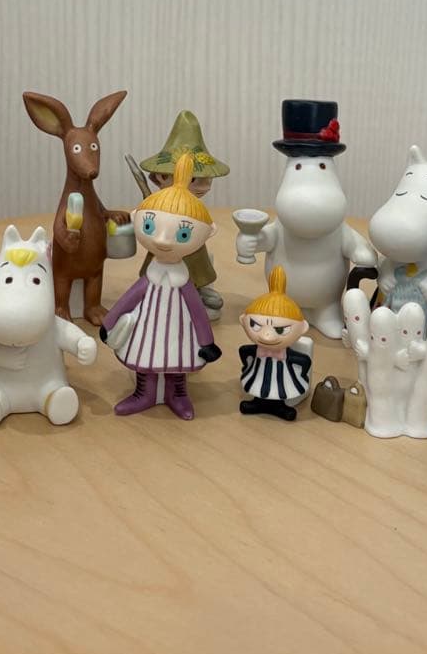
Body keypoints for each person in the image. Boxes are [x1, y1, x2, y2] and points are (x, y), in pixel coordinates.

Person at [101, 153, 222, 420]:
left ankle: (177, 394)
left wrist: (206, 342)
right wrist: (109, 322)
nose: (164, 241)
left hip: (179, 333)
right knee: (145, 360)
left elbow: (197, 312)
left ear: (207, 233)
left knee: (177, 365)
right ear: (137, 218)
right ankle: (143, 393)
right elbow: (129, 299)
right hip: (146, 330)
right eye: (149, 226)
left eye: (182, 234)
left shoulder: (184, 282)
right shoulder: (150, 277)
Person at [137, 110, 229, 319]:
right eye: (194, 179)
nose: (205, 186)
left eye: (207, 179)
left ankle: (197, 290)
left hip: (190, 248)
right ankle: (153, 291)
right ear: (162, 177)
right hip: (161, 257)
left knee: (195, 259)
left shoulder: (194, 208)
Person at [239, 266, 312, 421]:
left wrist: (303, 374)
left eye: (280, 330)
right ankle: (257, 403)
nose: (267, 336)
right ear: (242, 321)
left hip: (283, 378)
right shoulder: (257, 350)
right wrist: (246, 367)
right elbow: (244, 351)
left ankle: (280, 407)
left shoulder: (286, 354)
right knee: (257, 385)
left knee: (281, 389)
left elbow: (304, 360)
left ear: (303, 328)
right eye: (255, 325)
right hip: (257, 375)